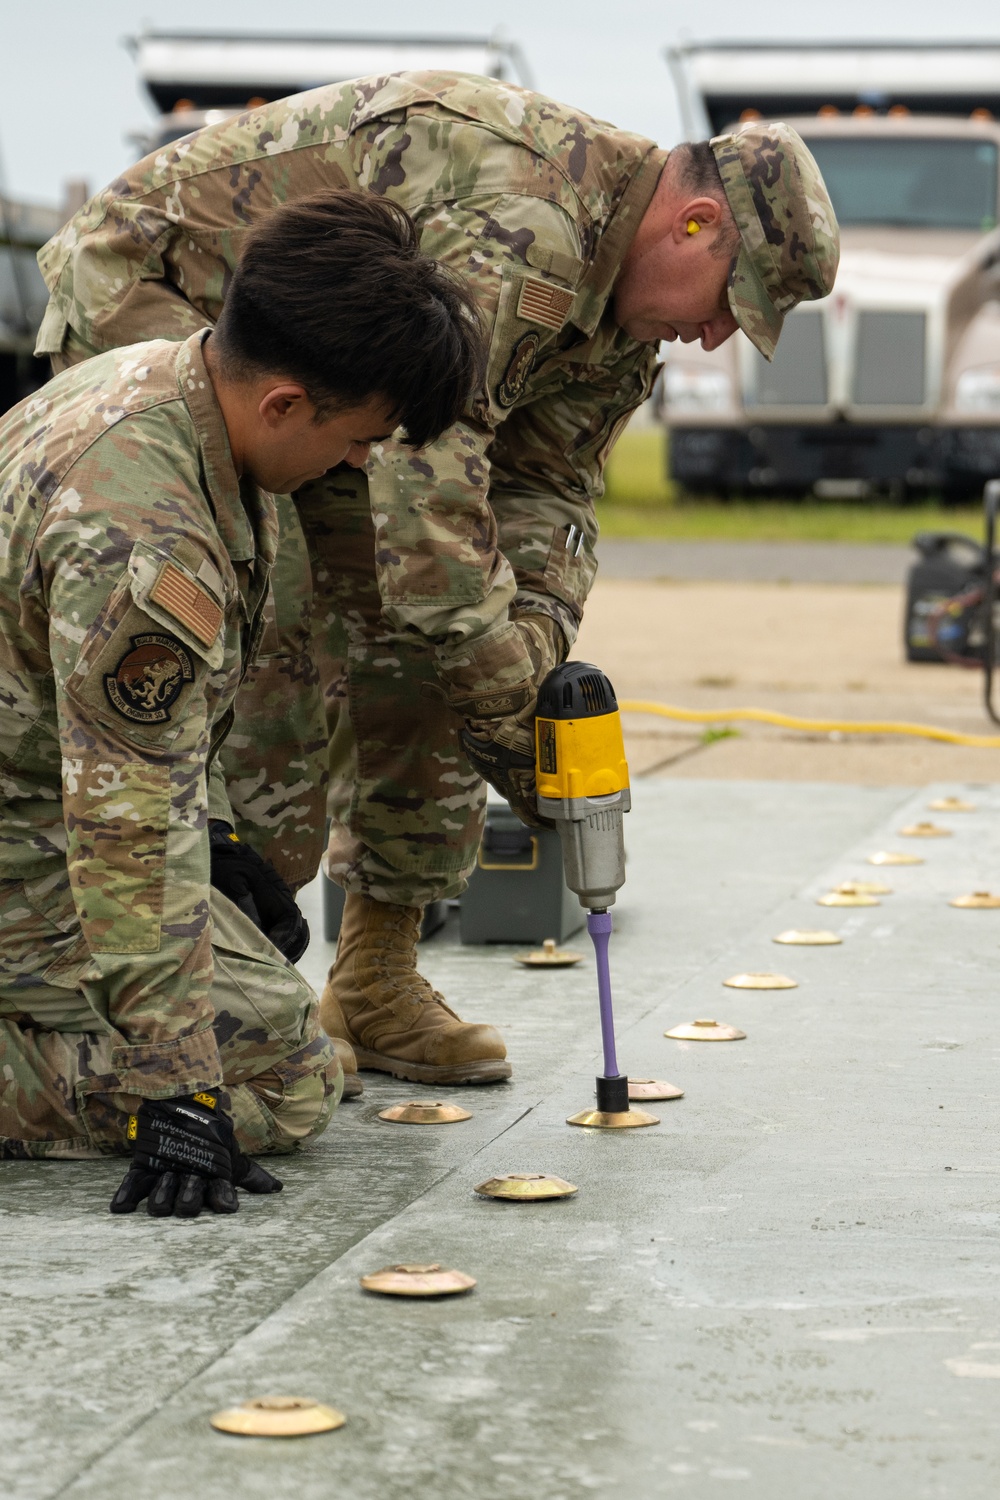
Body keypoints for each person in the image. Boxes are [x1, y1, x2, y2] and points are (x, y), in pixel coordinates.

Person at [36, 72, 840, 1095]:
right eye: (732, 304)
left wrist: (533, 663)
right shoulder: (525, 215)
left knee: (446, 634)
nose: (719, 336)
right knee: (270, 612)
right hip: (161, 301)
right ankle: (201, 1001)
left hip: (337, 384)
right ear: (694, 221)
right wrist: (506, 719)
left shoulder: (621, 326)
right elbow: (425, 505)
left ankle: (372, 978)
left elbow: (547, 491)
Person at [1, 191, 484, 1215]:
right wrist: (175, 1086)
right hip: (31, 837)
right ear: (283, 404)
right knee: (287, 1079)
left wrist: (213, 838)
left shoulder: (165, 386)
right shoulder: (145, 525)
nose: (358, 464)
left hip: (35, 803)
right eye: (359, 439)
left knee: (264, 1016)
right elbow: (125, 827)